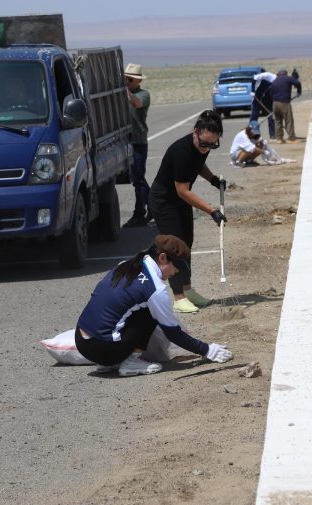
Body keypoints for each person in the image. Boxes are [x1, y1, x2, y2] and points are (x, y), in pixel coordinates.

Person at [75, 234, 233, 377]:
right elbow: (173, 333)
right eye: (176, 266)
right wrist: (207, 350)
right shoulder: (155, 288)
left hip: (81, 340)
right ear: (163, 258)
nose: (176, 272)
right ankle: (129, 362)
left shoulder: (127, 264)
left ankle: (109, 363)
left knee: (135, 308)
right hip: (103, 350)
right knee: (150, 312)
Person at [148, 110, 228, 314]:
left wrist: (212, 180)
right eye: (204, 144)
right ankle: (178, 297)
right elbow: (183, 190)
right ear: (195, 132)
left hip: (179, 200)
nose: (207, 148)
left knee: (187, 243)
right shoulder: (181, 151)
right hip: (164, 201)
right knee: (175, 246)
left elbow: (199, 164)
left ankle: (188, 289)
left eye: (212, 145)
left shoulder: (203, 145)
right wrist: (212, 211)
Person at [122, 63, 153, 228]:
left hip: (138, 141)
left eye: (130, 79)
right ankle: (152, 204)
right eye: (126, 79)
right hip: (126, 141)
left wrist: (123, 87)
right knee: (136, 178)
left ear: (137, 81)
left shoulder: (143, 94)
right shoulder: (124, 93)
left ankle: (140, 213)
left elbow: (135, 103)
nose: (127, 81)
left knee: (138, 178)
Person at [270, 69, 302, 144]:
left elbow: (270, 93)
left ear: (278, 74)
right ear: (286, 74)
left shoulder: (274, 81)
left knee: (277, 121)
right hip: (284, 103)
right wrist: (299, 91)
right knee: (288, 120)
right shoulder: (288, 78)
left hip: (275, 103)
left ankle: (279, 138)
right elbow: (298, 83)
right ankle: (291, 138)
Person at [250, 69, 276, 139]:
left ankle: (273, 134)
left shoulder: (273, 78)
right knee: (254, 116)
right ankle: (252, 134)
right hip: (257, 98)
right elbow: (253, 79)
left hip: (268, 99)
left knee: (271, 116)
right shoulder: (266, 75)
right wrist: (252, 90)